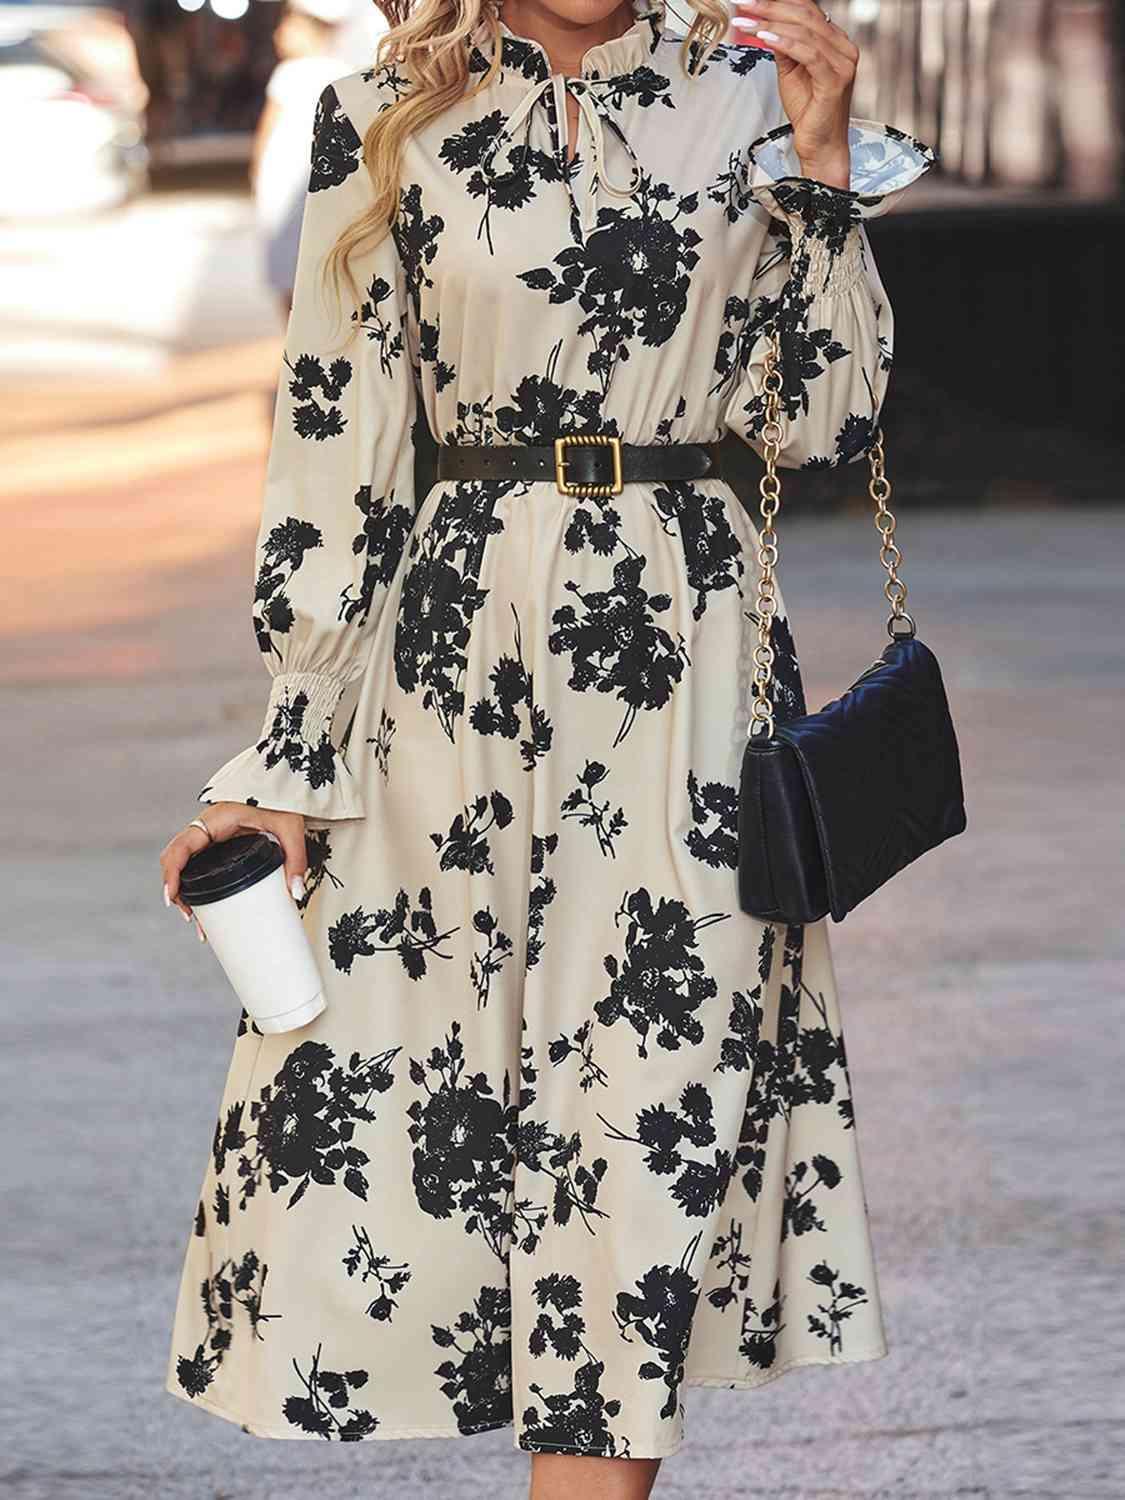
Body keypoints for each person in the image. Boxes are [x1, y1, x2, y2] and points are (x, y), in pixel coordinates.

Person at [159, 1, 936, 1494]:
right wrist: (284, 751)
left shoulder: (747, 94)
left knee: (645, 1105)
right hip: (445, 668)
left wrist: (825, 162)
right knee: (408, 1100)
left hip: (684, 665)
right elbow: (338, 444)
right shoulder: (382, 114)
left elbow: (826, 418)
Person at [250, 0, 363, 316]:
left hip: (283, 181)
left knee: (286, 270)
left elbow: (267, 129)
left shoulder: (288, 73)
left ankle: (292, 345)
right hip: (325, 182)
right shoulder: (344, 73)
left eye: (285, 27)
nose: (277, 34)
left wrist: (257, 172)